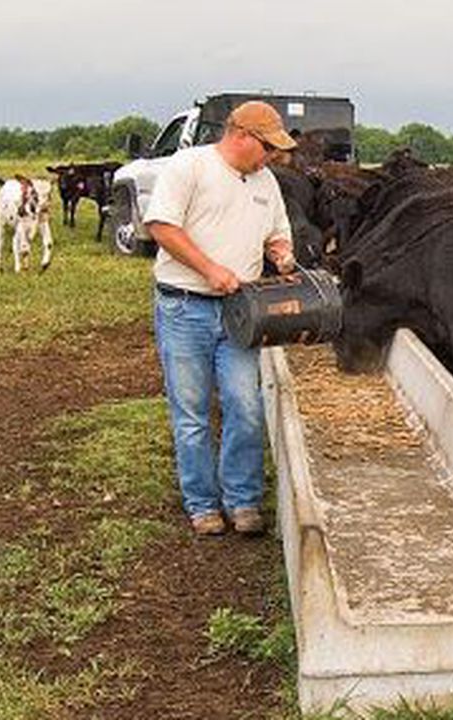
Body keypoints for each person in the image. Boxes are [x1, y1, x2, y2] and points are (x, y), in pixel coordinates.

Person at [143, 101, 297, 536]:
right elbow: (162, 226)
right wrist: (210, 269)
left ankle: (243, 501)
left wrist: (280, 251)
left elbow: (277, 232)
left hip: (240, 311)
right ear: (242, 135)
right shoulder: (188, 167)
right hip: (185, 305)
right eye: (267, 147)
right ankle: (202, 503)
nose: (271, 157)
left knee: (245, 405)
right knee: (191, 411)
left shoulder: (266, 182)